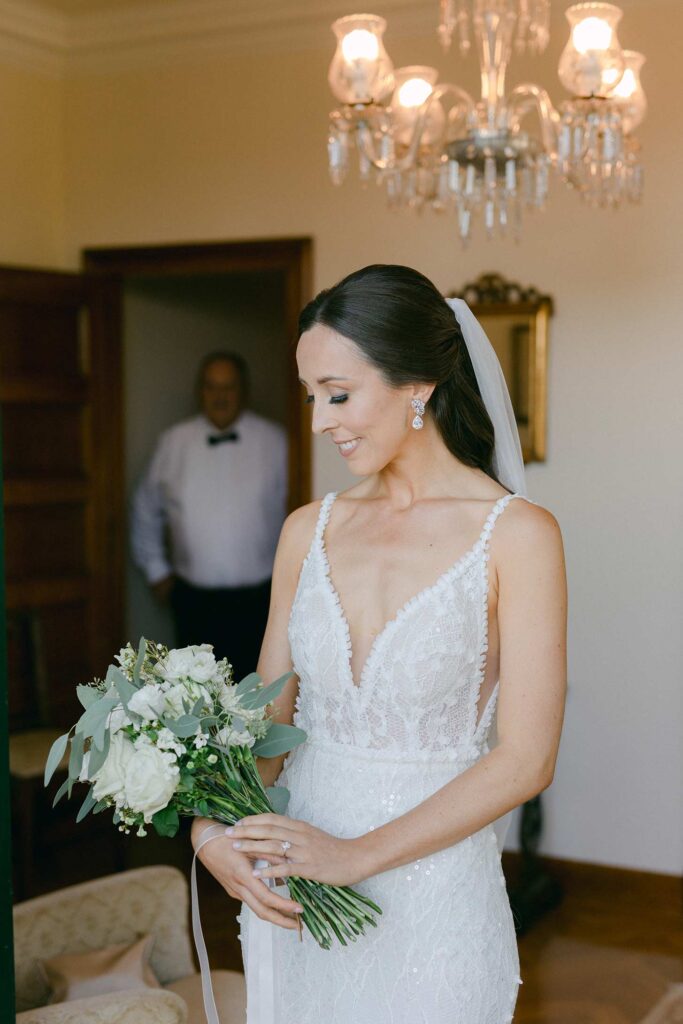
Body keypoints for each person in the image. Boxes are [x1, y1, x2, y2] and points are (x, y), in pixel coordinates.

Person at [192, 266, 567, 1023]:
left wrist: (355, 857)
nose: (320, 420)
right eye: (309, 397)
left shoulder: (518, 536)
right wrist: (211, 832)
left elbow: (526, 759)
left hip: (433, 899)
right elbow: (265, 729)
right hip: (293, 890)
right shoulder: (307, 530)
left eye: (338, 393)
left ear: (416, 385)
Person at [131, 351, 288, 680]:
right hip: (193, 601)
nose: (220, 396)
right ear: (199, 391)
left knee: (256, 695)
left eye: (229, 387)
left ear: (243, 391)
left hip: (260, 601)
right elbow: (145, 508)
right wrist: (157, 571)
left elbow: (302, 510)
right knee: (193, 698)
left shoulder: (277, 443)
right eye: (211, 387)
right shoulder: (174, 443)